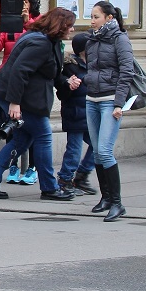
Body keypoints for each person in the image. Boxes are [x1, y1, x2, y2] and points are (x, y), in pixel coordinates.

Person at [0, 8, 78, 203]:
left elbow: (51, 72)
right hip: (22, 100)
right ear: (59, 26)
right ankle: (49, 187)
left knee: (22, 140)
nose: (72, 30)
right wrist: (14, 103)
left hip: (28, 99)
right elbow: (19, 72)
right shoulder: (40, 42)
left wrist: (65, 82)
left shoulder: (47, 40)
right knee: (44, 137)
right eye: (69, 25)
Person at [78, 1, 134, 222]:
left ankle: (118, 203)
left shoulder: (119, 38)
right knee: (97, 150)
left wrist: (119, 103)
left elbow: (126, 71)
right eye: (91, 17)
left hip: (110, 100)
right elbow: (91, 68)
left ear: (109, 18)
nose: (92, 21)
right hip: (91, 99)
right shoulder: (92, 40)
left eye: (96, 17)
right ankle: (106, 198)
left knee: (104, 150)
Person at [0, 0, 41, 184]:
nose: (21, 5)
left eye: (25, 2)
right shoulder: (8, 24)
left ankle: (32, 168)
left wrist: (28, 23)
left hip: (30, 83)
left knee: (33, 126)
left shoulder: (38, 22)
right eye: (17, 2)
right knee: (11, 125)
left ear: (31, 4)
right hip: (9, 81)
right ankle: (13, 166)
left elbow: (42, 42)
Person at [54, 33, 96, 197]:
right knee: (74, 150)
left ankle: (82, 175)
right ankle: (65, 179)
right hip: (75, 114)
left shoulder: (94, 64)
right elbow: (62, 92)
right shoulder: (71, 66)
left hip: (89, 114)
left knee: (98, 145)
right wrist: (69, 84)